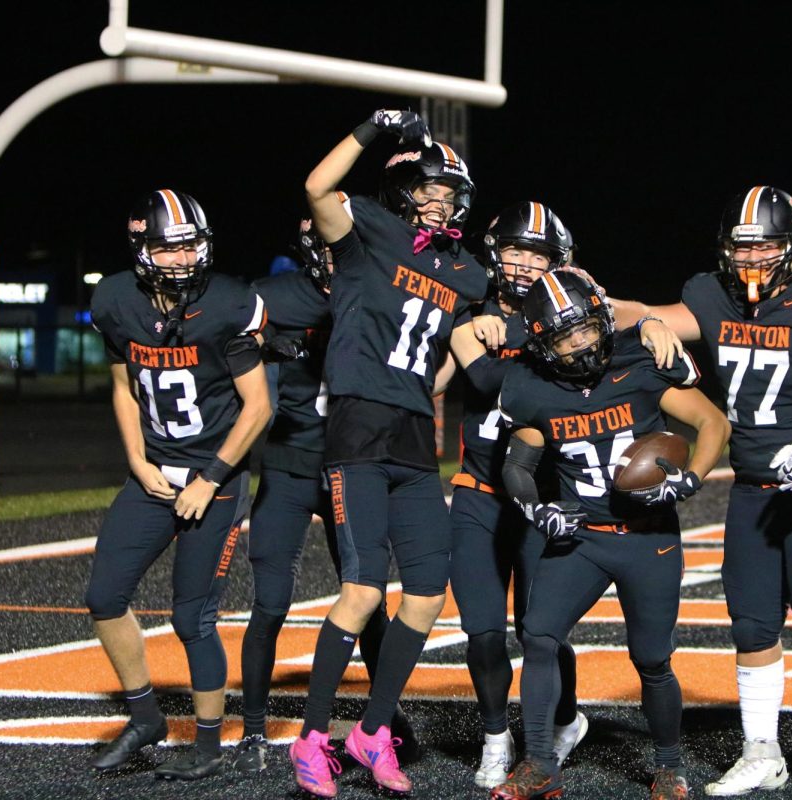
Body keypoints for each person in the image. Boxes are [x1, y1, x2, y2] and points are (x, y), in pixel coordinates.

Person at [609, 186, 792, 796]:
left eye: (765, 247)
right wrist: (590, 302)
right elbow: (646, 312)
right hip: (756, 483)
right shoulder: (710, 295)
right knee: (753, 621)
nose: (751, 258)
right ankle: (763, 751)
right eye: (742, 247)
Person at [286, 110, 499, 797]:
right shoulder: (370, 232)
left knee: (429, 595)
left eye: (451, 195)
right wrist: (367, 129)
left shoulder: (465, 272)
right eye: (431, 190)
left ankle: (372, 732)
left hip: (414, 434)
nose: (442, 203)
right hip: (355, 427)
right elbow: (318, 187)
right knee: (362, 589)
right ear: (404, 188)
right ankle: (312, 738)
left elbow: (448, 352)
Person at [492, 271, 730, 800]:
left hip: (648, 538)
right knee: (538, 634)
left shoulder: (639, 361)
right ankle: (539, 763)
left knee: (650, 658)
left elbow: (713, 424)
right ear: (541, 343)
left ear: (602, 319)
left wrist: (689, 481)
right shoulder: (531, 386)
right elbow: (518, 465)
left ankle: (670, 766)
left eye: (585, 329)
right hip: (583, 537)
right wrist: (538, 510)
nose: (579, 343)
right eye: (563, 336)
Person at [85, 189, 271, 780]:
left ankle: (210, 745)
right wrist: (137, 462)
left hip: (213, 476)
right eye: (169, 248)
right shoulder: (115, 299)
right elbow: (123, 387)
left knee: (192, 618)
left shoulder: (230, 304)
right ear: (142, 248)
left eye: (191, 244)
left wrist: (210, 478)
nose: (183, 258)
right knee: (104, 596)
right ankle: (146, 717)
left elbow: (258, 407)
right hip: (154, 471)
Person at [234, 219, 414, 775]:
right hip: (290, 464)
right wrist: (260, 342)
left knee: (368, 600)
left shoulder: (383, 292)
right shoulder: (274, 295)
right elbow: (220, 336)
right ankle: (255, 728)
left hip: (354, 465)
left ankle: (383, 719)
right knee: (270, 603)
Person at [449, 201, 590, 789]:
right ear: (494, 251)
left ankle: (564, 717)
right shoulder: (467, 308)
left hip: (542, 492)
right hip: (480, 490)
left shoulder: (571, 313)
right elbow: (481, 377)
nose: (525, 263)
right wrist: (487, 325)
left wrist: (648, 324)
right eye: (515, 250)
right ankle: (494, 736)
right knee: (482, 630)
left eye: (538, 253)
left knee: (540, 628)